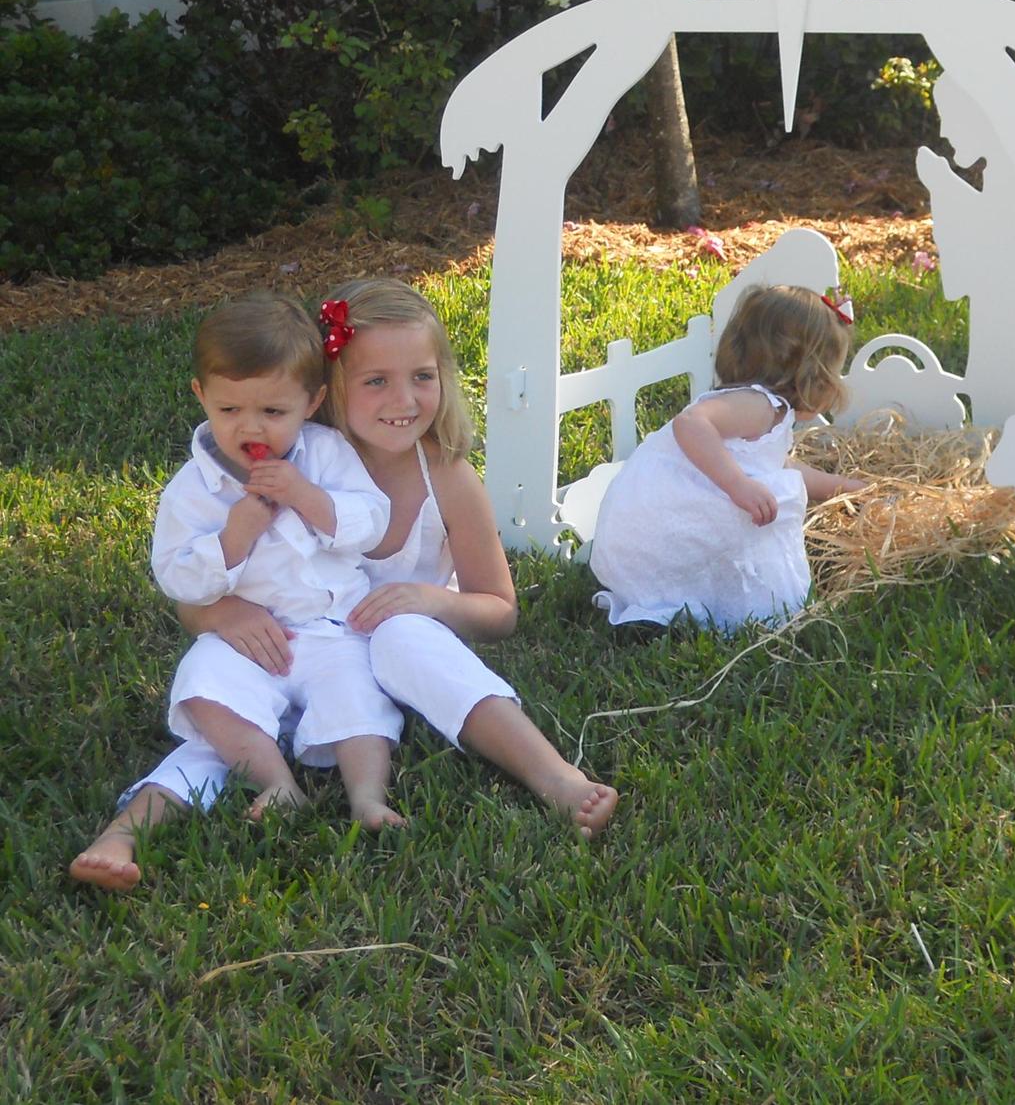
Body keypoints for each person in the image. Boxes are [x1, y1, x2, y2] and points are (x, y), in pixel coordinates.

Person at [75, 282, 618, 895]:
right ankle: (124, 832)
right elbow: (190, 596)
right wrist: (225, 613)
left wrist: (429, 600)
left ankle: (553, 776)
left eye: (422, 376)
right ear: (324, 392)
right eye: (375, 381)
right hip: (289, 649)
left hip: (391, 660)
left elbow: (501, 613)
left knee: (402, 633)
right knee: (219, 733)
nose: (404, 400)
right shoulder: (300, 459)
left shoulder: (445, 475)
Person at [71, 293, 405, 892]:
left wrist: (308, 497)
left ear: (313, 402)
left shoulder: (326, 454)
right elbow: (176, 575)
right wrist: (233, 537)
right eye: (229, 409)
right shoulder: (193, 489)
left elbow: (371, 522)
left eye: (274, 411)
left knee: (358, 698)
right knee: (205, 694)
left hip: (334, 629)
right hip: (249, 638)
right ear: (201, 396)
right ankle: (274, 784)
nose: (250, 428)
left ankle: (368, 798)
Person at [590, 284, 867, 635]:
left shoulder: (766, 411)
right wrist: (738, 485)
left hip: (641, 533)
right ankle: (719, 605)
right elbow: (690, 423)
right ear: (810, 375)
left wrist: (851, 489)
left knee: (778, 487)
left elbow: (784, 468)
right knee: (772, 505)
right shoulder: (758, 404)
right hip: (661, 526)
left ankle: (676, 599)